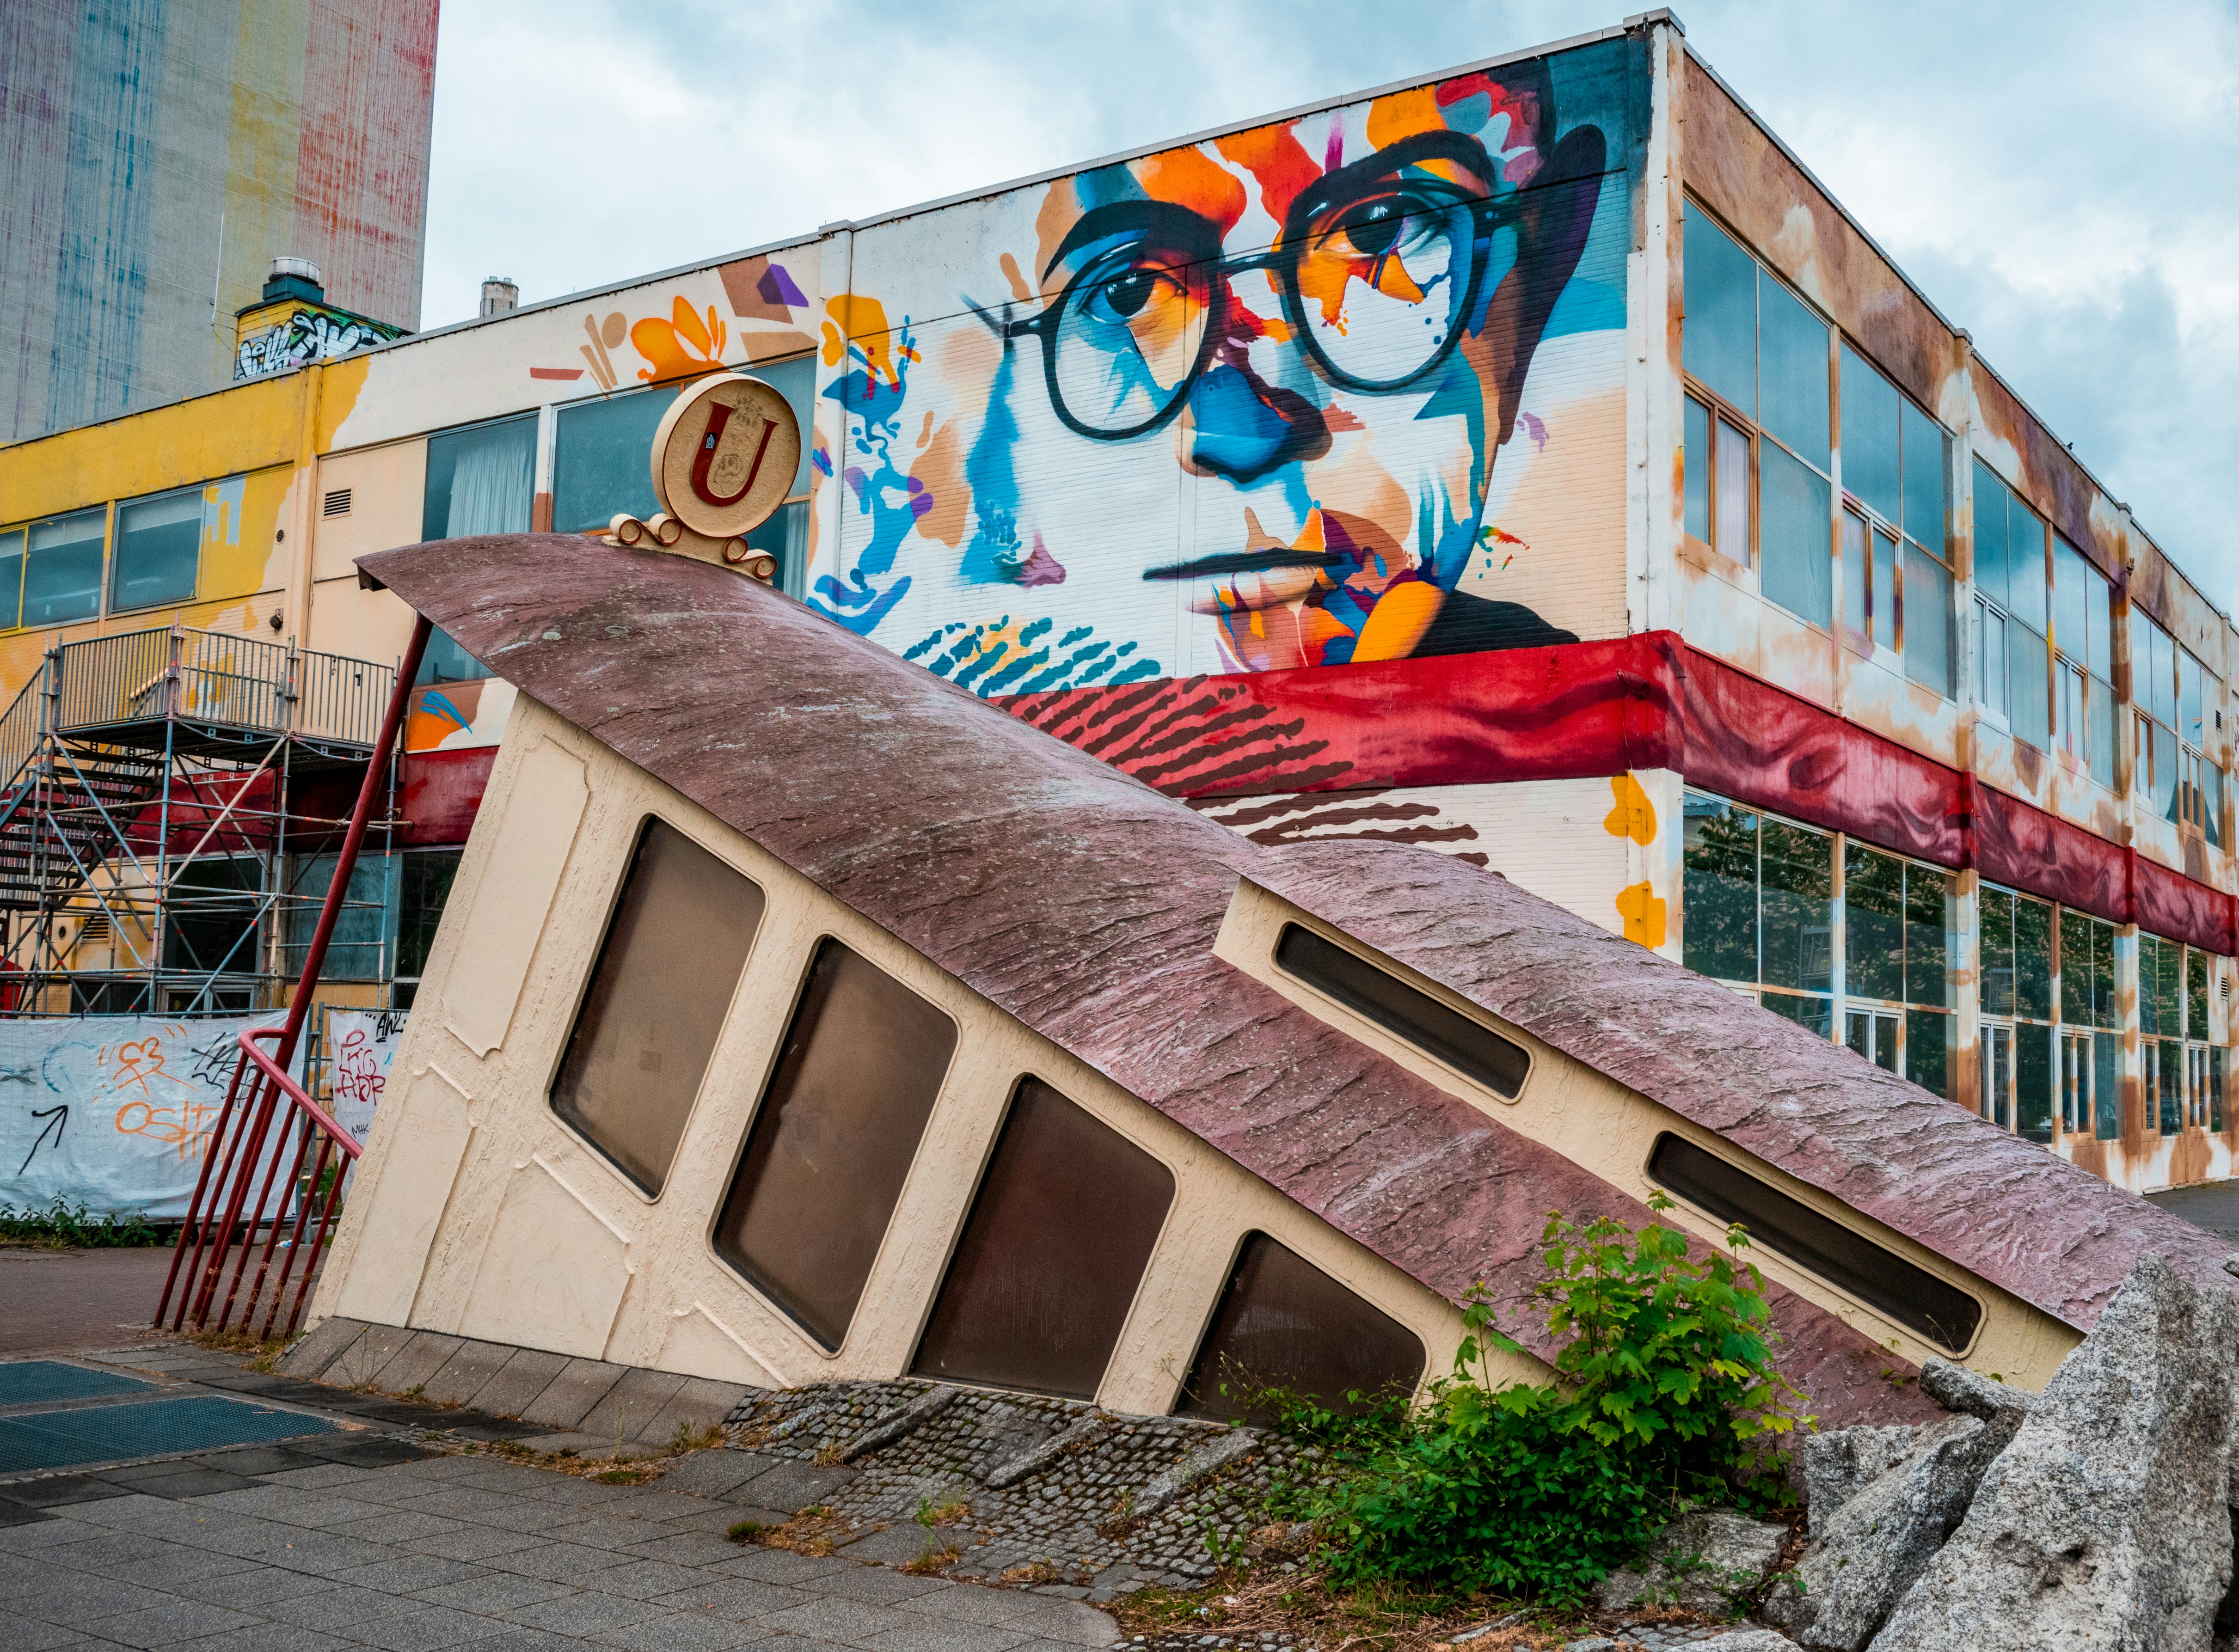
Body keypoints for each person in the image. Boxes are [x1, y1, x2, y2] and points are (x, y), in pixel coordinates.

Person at [814, 59, 1609, 688]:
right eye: (1127, 297)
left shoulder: (1585, 717)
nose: (1245, 435)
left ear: (1538, 281)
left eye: (1378, 235)